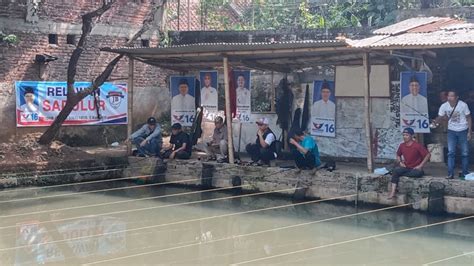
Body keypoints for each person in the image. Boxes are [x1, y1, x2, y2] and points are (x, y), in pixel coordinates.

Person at [433, 90, 472, 179]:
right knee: (451, 152)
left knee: (465, 153)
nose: (449, 98)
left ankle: (465, 173)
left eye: (451, 96)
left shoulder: (463, 105)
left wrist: (469, 131)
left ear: (456, 97)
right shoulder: (444, 106)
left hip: (463, 130)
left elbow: (469, 117)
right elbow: (440, 117)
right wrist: (436, 121)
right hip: (451, 131)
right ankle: (450, 174)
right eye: (448, 96)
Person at [388, 128, 430, 199]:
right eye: (404, 135)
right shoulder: (402, 145)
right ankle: (393, 192)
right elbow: (398, 155)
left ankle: (401, 174)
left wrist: (420, 165)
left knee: (417, 173)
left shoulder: (417, 146)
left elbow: (428, 155)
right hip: (406, 167)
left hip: (415, 169)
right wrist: (400, 162)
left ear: (411, 136)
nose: (405, 137)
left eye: (407, 135)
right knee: (396, 171)